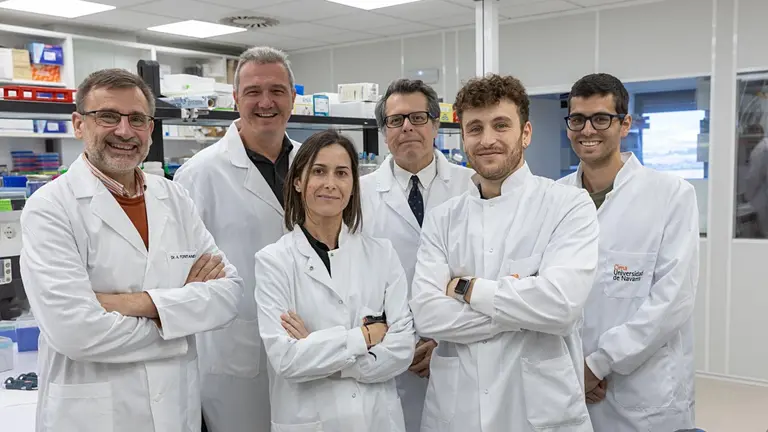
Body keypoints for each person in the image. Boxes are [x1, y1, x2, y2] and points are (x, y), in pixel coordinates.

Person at [19, 68, 243, 432]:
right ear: (78, 125)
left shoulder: (173, 197)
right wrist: (181, 324)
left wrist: (136, 304)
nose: (124, 131)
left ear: (150, 130)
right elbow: (76, 333)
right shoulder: (50, 208)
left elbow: (229, 296)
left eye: (137, 119)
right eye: (107, 116)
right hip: (93, 416)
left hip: (175, 408)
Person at [409, 74, 599, 432]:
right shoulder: (442, 219)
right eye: (475, 128)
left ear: (525, 133)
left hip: (538, 408)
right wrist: (526, 307)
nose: (488, 140)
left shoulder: (567, 205)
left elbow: (560, 305)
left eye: (501, 125)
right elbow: (427, 315)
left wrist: (467, 290)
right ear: (463, 137)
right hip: (458, 409)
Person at [558, 73, 699, 432]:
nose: (587, 129)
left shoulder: (671, 194)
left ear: (624, 125)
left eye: (601, 118)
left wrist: (598, 364)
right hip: (568, 381)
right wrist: (574, 368)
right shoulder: (554, 198)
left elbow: (673, 300)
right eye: (577, 119)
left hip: (643, 393)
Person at [174, 46, 301, 432]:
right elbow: (181, 277)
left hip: (312, 342)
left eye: (277, 90)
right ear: (235, 99)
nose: (266, 102)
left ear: (293, 98)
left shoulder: (314, 165)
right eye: (253, 91)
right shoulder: (199, 175)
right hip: (233, 350)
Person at [254, 129, 416, 431]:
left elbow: (402, 349)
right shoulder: (274, 261)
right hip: (310, 420)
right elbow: (287, 360)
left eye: (342, 173)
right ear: (299, 182)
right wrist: (364, 338)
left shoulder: (382, 254)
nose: (330, 183)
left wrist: (320, 353)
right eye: (319, 171)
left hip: (377, 419)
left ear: (354, 185)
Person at [359, 78, 475, 431]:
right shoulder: (357, 196)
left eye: (418, 117)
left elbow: (486, 271)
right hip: (385, 354)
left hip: (456, 349)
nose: (407, 127)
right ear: (384, 131)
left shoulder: (471, 186)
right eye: (396, 120)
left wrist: (439, 338)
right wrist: (400, 343)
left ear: (437, 124)